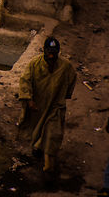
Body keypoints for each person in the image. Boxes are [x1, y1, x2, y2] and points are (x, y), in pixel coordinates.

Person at [18, 36, 77, 179]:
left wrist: (64, 95)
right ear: (44, 51)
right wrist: (29, 99)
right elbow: (25, 81)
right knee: (37, 129)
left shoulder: (65, 67)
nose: (51, 56)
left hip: (56, 106)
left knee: (53, 133)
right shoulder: (34, 64)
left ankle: (49, 164)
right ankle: (38, 147)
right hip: (38, 105)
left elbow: (72, 80)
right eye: (48, 53)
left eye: (54, 54)